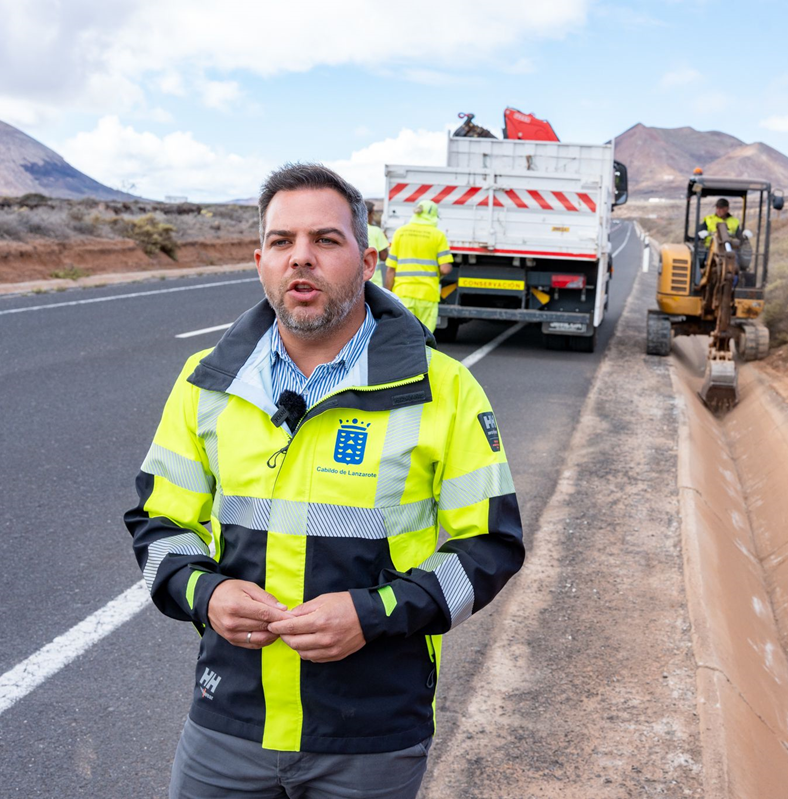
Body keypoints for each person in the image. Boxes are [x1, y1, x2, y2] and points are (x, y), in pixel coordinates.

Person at [126, 163, 525, 799]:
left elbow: (490, 548)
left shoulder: (444, 389)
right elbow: (157, 524)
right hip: (229, 721)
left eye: (326, 241)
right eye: (282, 242)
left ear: (368, 261)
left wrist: (374, 613)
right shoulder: (205, 381)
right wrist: (205, 594)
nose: (300, 259)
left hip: (371, 735)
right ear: (259, 259)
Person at [385, 200, 453, 332]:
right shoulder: (438, 235)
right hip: (427, 295)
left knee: (402, 335)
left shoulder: (400, 233)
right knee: (424, 339)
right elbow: (444, 268)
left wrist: (388, 293)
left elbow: (390, 269)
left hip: (403, 293)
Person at [365, 200, 389, 283]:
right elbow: (384, 256)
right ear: (369, 214)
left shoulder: (352, 230)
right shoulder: (376, 231)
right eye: (373, 214)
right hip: (374, 283)